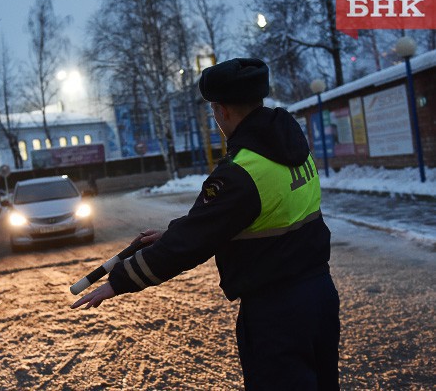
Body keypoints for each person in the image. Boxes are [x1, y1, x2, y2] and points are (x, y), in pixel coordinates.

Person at [72, 58, 340, 390]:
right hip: (319, 294)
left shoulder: (240, 171)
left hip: (277, 312)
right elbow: (245, 214)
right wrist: (174, 232)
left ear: (221, 110)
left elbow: (193, 242)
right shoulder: (293, 148)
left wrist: (119, 280)